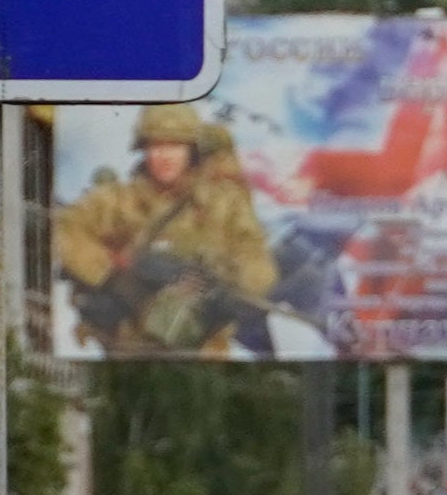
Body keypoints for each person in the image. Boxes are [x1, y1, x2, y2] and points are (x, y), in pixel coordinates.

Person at [52, 104, 284, 359]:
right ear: (143, 148)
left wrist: (234, 292)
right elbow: (64, 231)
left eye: (175, 146)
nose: (165, 156)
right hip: (123, 348)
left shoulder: (223, 204)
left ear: (192, 151)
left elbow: (256, 259)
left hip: (202, 349)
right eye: (157, 145)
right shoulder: (118, 201)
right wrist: (114, 277)